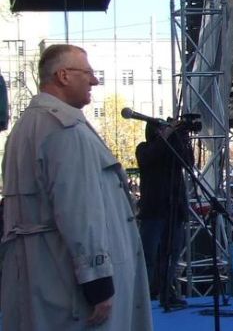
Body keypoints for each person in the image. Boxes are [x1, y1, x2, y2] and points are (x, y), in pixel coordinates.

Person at [1, 44, 152, 330]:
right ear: (63, 76)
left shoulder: (23, 128)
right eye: (88, 73)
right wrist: (97, 281)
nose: (94, 81)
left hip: (38, 279)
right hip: (69, 289)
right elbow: (80, 213)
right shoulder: (64, 129)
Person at [136, 117, 192, 310]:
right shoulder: (144, 148)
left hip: (174, 209)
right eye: (162, 129)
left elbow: (189, 163)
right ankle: (145, 294)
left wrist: (183, 138)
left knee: (172, 254)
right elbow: (150, 156)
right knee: (149, 256)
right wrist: (167, 134)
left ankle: (167, 292)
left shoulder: (173, 150)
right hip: (153, 211)